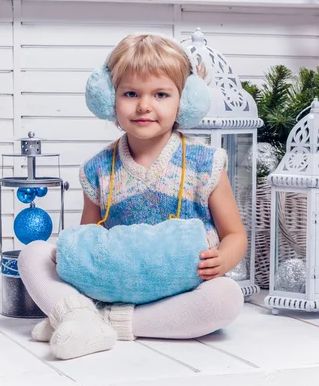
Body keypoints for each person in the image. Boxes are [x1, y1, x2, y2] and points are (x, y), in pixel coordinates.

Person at [19, 34, 246, 360]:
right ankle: (79, 314)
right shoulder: (98, 169)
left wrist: (223, 259)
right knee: (34, 254)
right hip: (112, 285)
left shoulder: (205, 163)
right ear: (109, 99)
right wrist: (70, 257)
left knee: (226, 296)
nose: (144, 105)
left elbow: (235, 234)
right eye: (130, 93)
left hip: (180, 290)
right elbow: (88, 238)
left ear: (184, 101)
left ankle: (100, 321)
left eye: (161, 94)